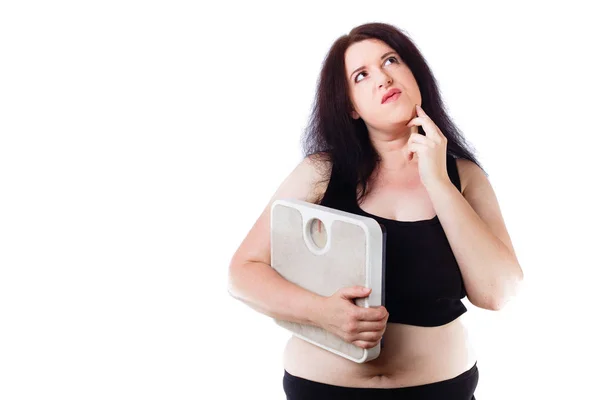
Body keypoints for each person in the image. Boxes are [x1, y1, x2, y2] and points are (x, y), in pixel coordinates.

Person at [228, 22, 523, 400]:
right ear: (350, 106)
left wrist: (437, 181)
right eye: (361, 75)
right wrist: (322, 313)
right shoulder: (320, 173)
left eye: (391, 60)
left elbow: (499, 292)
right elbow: (243, 272)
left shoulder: (463, 177)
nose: (382, 77)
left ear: (415, 74)